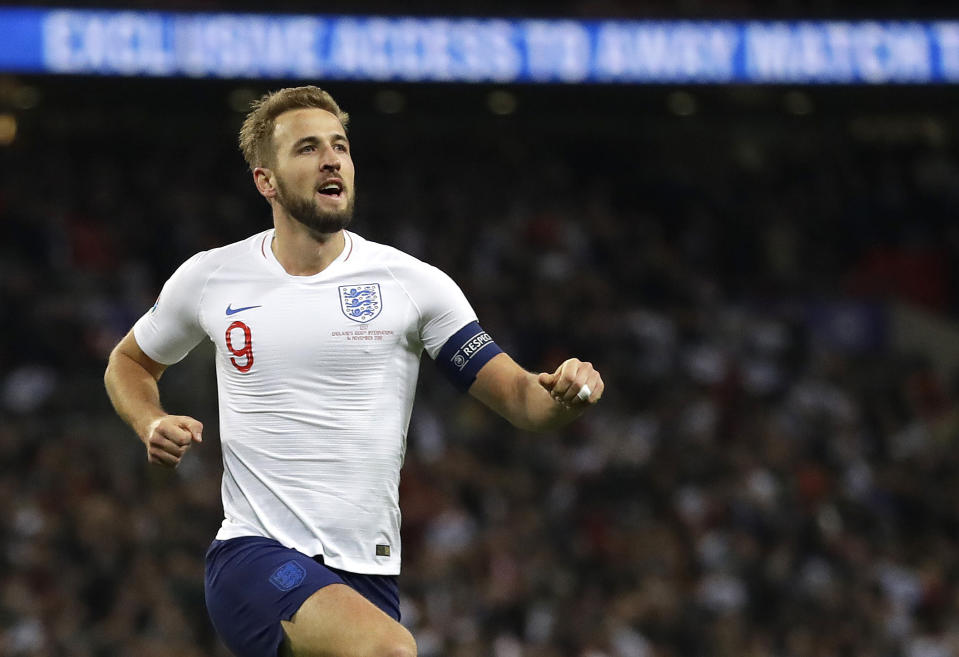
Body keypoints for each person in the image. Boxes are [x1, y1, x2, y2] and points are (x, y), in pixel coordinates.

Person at [103, 85, 604, 657]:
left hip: (368, 576)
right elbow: (129, 361)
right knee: (390, 652)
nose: (332, 158)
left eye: (340, 145)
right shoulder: (212, 277)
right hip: (254, 556)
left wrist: (563, 396)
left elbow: (520, 398)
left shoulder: (413, 284)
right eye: (308, 148)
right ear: (266, 180)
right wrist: (149, 421)